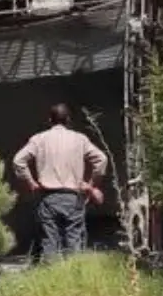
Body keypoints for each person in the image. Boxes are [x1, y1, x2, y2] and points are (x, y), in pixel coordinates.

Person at [12, 103, 108, 260]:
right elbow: (102, 159)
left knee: (49, 242)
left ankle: (51, 279)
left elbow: (18, 161)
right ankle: (73, 278)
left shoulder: (39, 139)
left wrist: (31, 183)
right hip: (73, 197)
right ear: (68, 120)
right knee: (74, 242)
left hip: (48, 197)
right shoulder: (80, 139)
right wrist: (91, 184)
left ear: (50, 120)